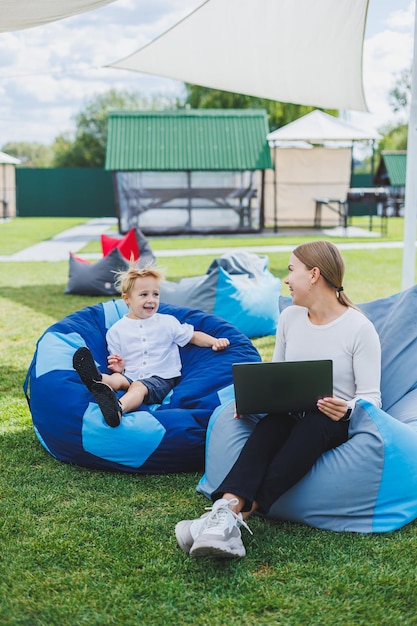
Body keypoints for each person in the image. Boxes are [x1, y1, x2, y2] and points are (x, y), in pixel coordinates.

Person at [175, 240, 382, 559]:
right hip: (290, 411)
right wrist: (253, 401)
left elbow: (371, 399)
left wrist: (346, 408)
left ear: (314, 275)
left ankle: (230, 519)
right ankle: (225, 512)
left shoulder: (359, 329)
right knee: (270, 427)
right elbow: (278, 375)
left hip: (332, 423)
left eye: (291, 270)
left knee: (314, 423)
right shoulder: (290, 318)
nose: (286, 279)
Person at [73, 266, 230, 427]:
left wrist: (214, 342)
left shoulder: (167, 322)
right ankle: (93, 379)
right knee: (117, 379)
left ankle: (118, 409)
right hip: (132, 373)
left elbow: (193, 336)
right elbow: (119, 363)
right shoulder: (116, 331)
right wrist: (118, 367)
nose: (151, 299)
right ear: (127, 299)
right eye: (144, 295)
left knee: (138, 387)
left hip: (162, 377)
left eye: (155, 294)